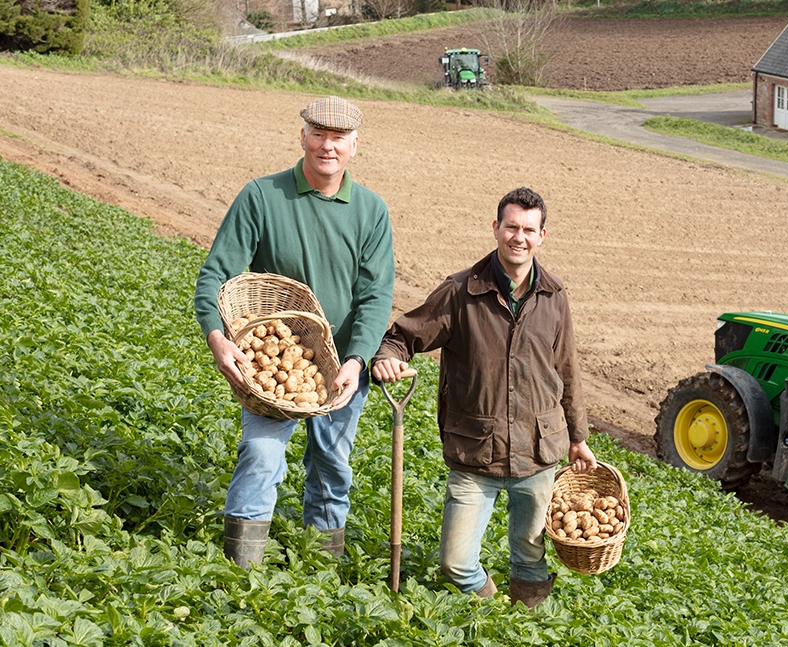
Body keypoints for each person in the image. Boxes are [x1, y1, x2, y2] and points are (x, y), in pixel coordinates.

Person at [194, 96, 395, 568]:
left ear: (355, 146)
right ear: (302, 135)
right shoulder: (262, 196)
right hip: (274, 361)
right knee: (261, 456)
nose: (328, 146)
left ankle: (317, 577)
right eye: (319, 134)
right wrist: (217, 336)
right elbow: (214, 275)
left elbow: (375, 295)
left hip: (343, 365)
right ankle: (241, 571)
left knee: (332, 468)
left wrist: (357, 358)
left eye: (339, 138)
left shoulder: (370, 211)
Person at [372, 187, 595, 608]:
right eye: (511, 226)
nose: (519, 237)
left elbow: (567, 369)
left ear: (542, 235)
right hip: (476, 450)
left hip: (538, 450)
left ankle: (526, 628)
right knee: (456, 564)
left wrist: (578, 437)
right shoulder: (460, 292)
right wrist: (387, 358)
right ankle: (494, 613)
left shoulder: (554, 295)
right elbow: (403, 335)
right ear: (496, 228)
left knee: (530, 559)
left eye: (529, 229)